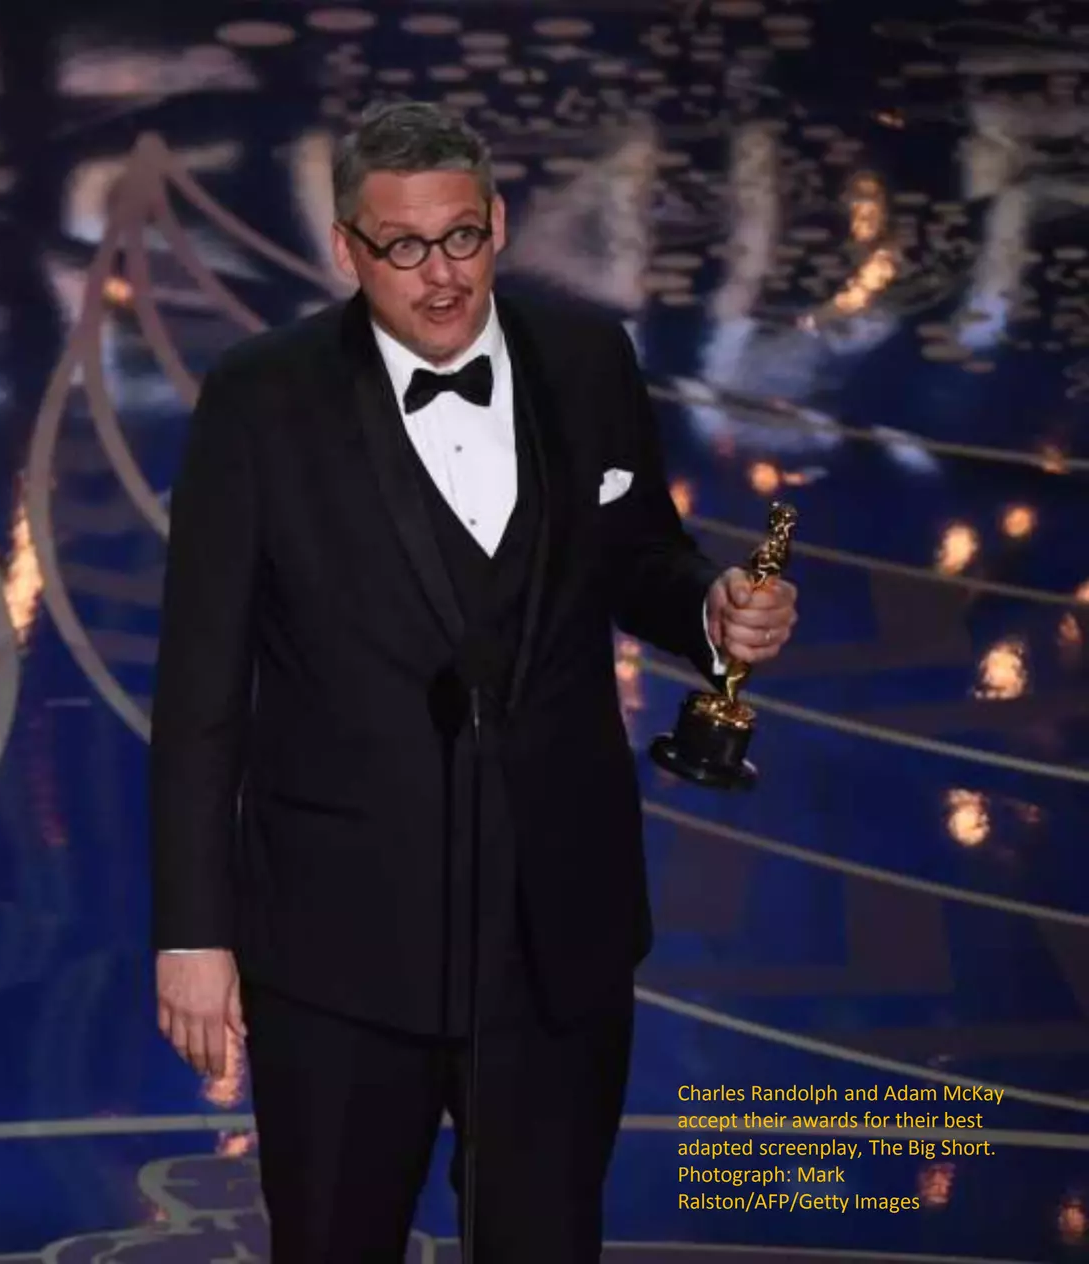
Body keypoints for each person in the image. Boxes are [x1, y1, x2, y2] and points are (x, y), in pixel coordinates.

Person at [148, 99, 797, 1260]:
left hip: (557, 931)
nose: (438, 276)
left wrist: (710, 611)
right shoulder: (259, 398)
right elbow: (199, 688)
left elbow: (638, 554)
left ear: (497, 222)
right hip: (339, 946)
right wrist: (193, 933)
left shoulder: (587, 357)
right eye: (400, 247)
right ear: (346, 250)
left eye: (460, 238)